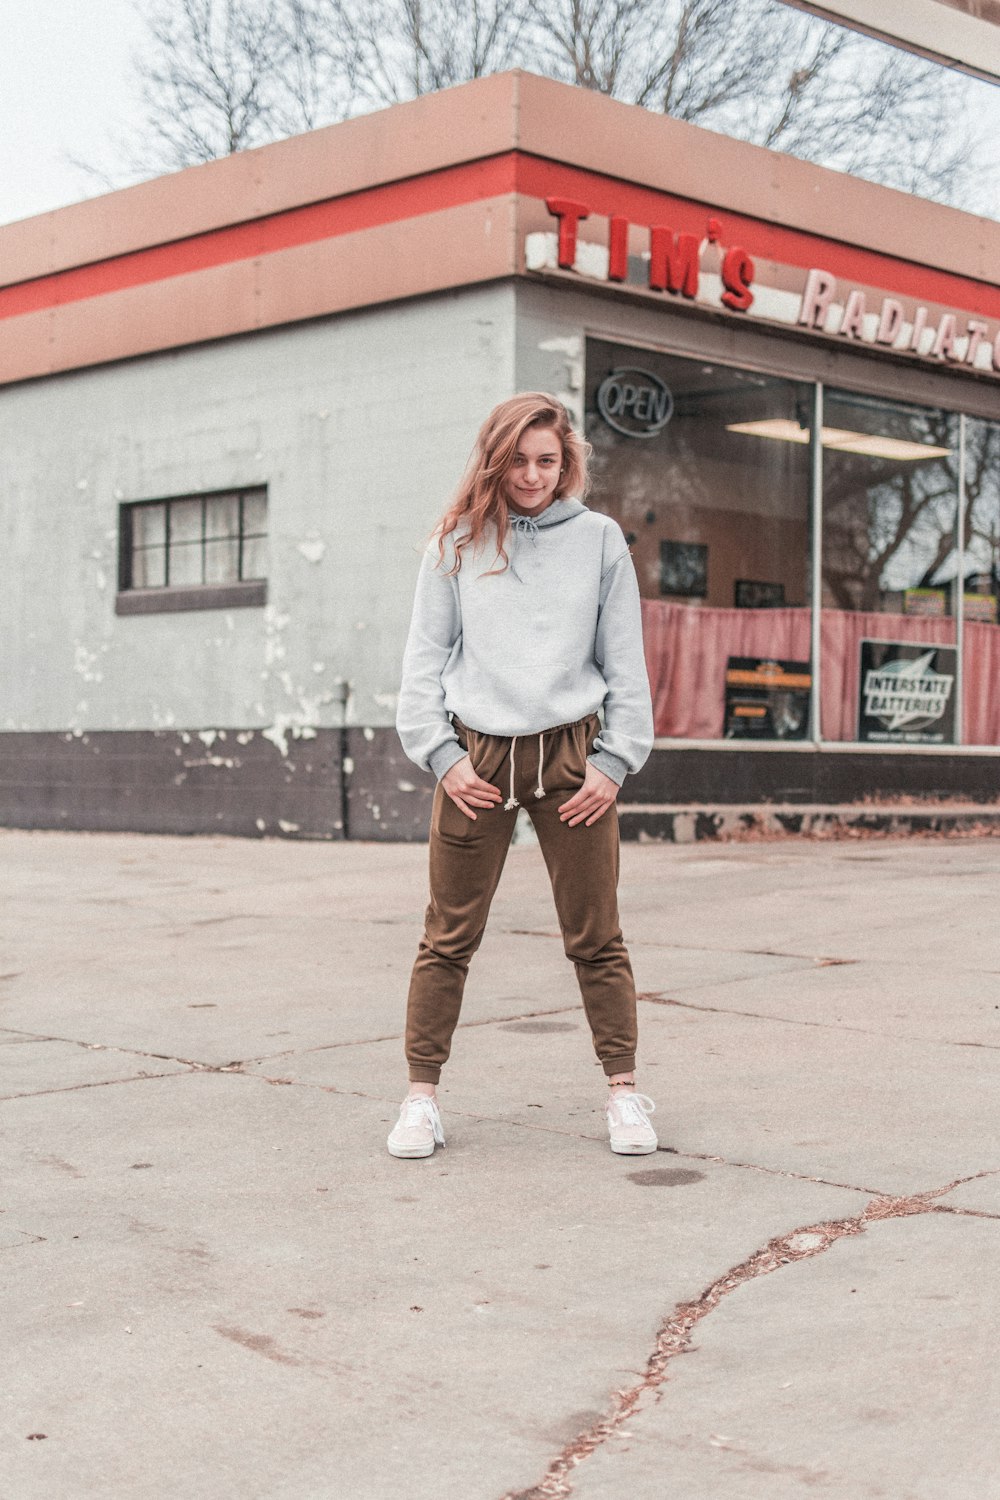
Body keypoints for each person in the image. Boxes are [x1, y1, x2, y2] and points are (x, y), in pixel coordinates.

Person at [390, 392, 656, 1160]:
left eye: (547, 460)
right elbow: (422, 665)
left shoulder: (601, 540)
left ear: (565, 461)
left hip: (574, 763)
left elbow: (625, 661)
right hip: (478, 763)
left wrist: (615, 761)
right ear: (494, 458)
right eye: (518, 459)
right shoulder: (456, 542)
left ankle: (624, 1094)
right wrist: (441, 758)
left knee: (597, 936)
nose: (533, 474)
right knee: (448, 936)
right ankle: (420, 1099)